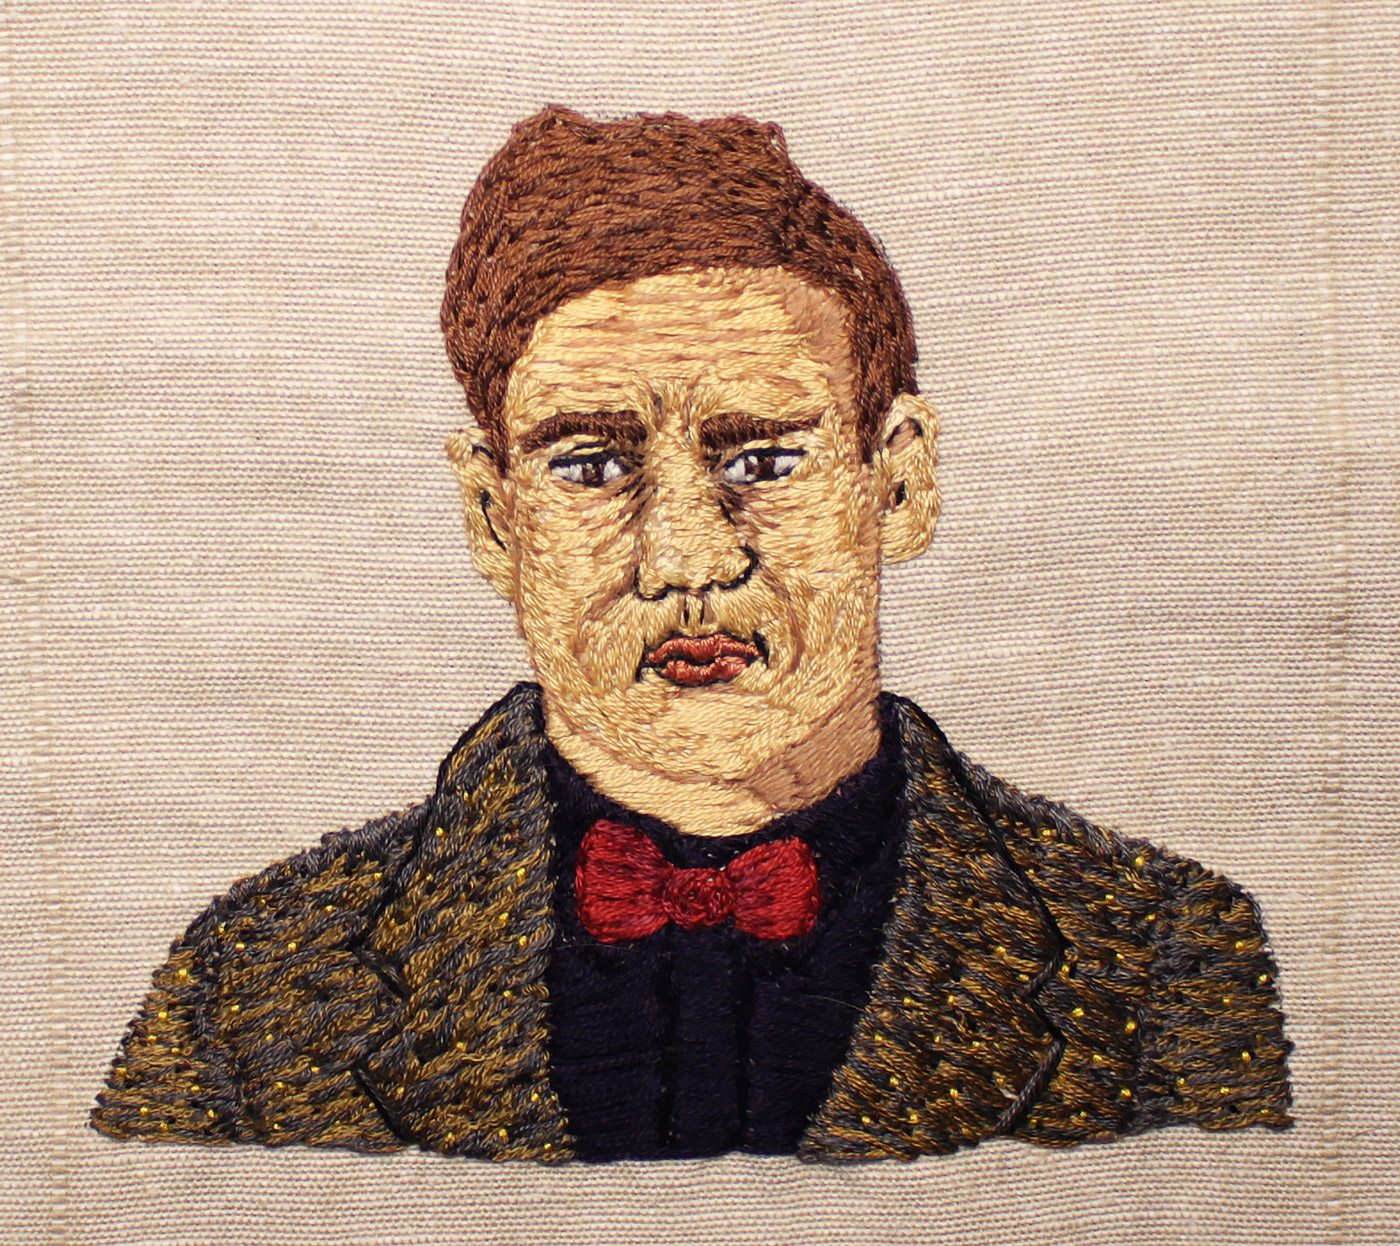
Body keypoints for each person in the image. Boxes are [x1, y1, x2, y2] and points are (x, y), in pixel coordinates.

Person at [91, 106, 1291, 1162]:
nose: (687, 560)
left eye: (761, 460)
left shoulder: (1155, 955)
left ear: (897, 482)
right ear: (494, 519)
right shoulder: (256, 984)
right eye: (591, 465)